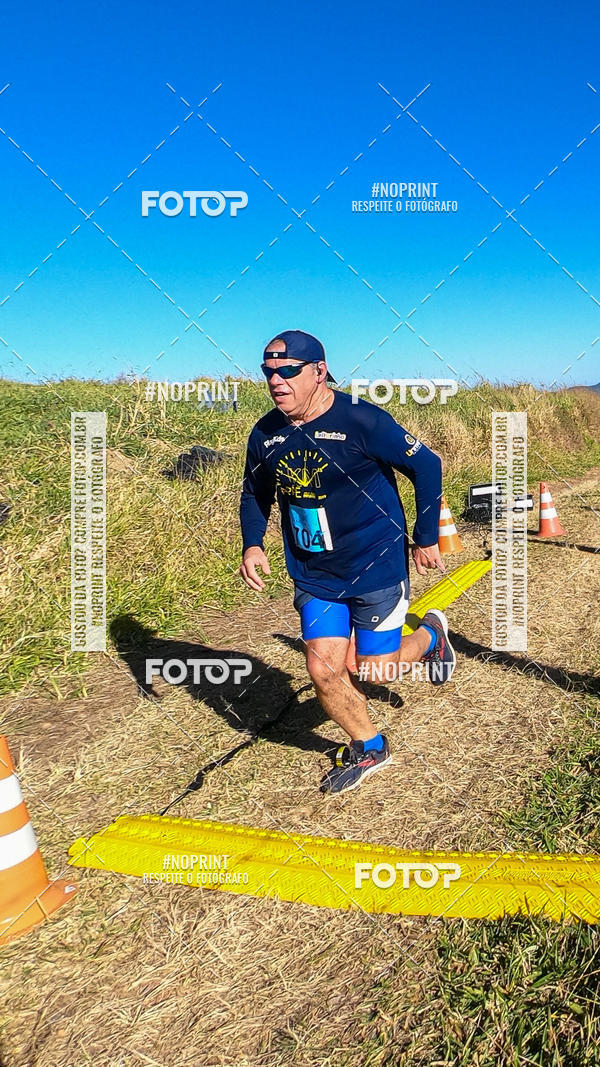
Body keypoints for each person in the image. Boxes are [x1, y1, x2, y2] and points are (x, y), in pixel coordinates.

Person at [239, 329, 456, 795]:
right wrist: (252, 543)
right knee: (323, 670)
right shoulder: (266, 433)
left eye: (288, 371)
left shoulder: (362, 420)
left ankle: (431, 635)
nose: (277, 380)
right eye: (268, 372)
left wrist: (424, 537)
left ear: (319, 372)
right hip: (314, 573)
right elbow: (255, 493)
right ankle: (370, 745)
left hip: (375, 563)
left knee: (376, 669)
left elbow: (428, 465)